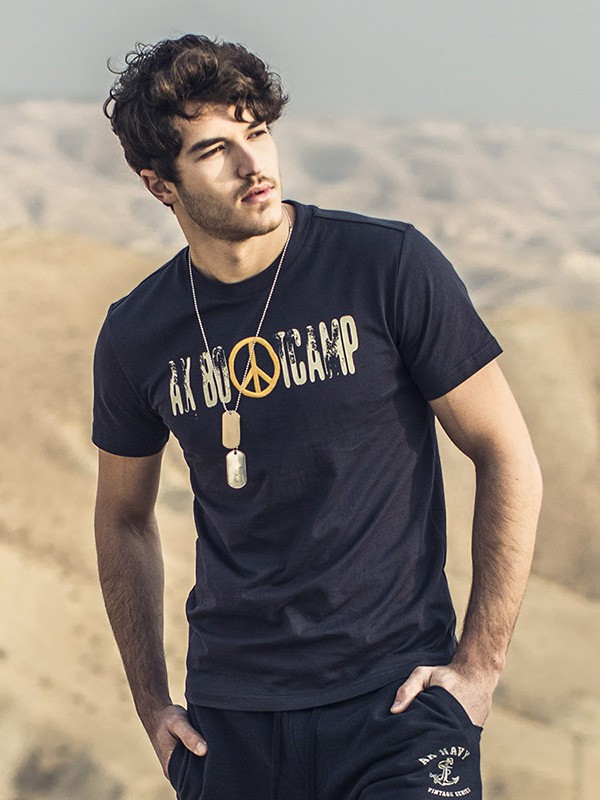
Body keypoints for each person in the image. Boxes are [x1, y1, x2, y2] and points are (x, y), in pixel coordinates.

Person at [93, 34, 542, 800]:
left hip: (398, 708)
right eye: (215, 150)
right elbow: (122, 517)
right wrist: (150, 702)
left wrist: (480, 665)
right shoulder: (138, 333)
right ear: (159, 184)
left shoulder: (386, 266)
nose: (253, 165)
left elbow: (506, 452)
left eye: (257, 132)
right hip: (232, 726)